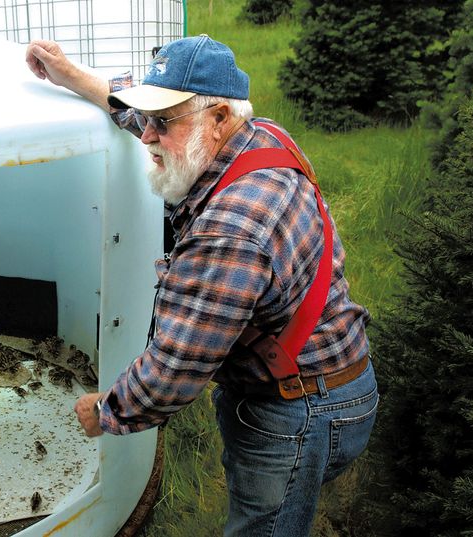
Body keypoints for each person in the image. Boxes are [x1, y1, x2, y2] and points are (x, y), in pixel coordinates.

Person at [25, 35, 378, 536]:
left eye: (161, 123)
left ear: (218, 119)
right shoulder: (258, 136)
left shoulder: (230, 230)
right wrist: (70, 75)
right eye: (146, 119)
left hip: (300, 411)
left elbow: (174, 369)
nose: (146, 136)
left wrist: (105, 410)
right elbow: (142, 109)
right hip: (328, 376)